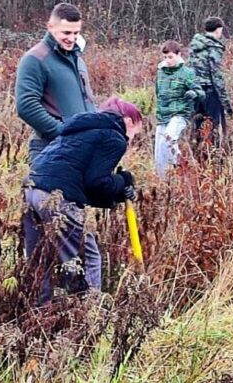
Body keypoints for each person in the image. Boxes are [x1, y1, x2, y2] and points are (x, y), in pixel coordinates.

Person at [22, 98, 143, 303]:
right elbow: (96, 182)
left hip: (31, 189)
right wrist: (122, 181)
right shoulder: (115, 138)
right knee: (86, 257)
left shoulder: (81, 128)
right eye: (136, 133)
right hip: (56, 195)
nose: (132, 140)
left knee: (40, 258)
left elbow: (82, 181)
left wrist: (116, 195)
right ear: (129, 121)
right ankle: (90, 313)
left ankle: (40, 314)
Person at [16, 3, 98, 164]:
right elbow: (26, 105)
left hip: (82, 148)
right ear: (50, 27)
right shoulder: (35, 59)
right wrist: (63, 132)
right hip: (51, 149)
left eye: (76, 33)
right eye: (66, 32)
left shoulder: (77, 59)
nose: (72, 38)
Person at [154, 41, 204, 178]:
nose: (167, 60)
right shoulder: (160, 73)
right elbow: (158, 93)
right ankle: (162, 182)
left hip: (180, 113)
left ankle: (180, 163)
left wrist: (194, 93)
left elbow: (200, 92)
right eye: (165, 57)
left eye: (170, 57)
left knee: (169, 137)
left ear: (178, 55)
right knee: (159, 154)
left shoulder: (187, 73)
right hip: (162, 115)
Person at [189, 16, 233, 145]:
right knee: (212, 127)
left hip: (195, 90)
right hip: (209, 92)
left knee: (197, 126)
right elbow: (216, 76)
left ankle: (196, 155)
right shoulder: (214, 47)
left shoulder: (195, 44)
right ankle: (210, 156)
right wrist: (226, 103)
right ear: (218, 29)